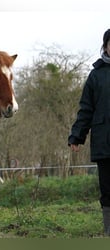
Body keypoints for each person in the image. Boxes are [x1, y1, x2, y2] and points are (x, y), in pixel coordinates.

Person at [68, 28, 110, 236]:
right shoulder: (95, 76)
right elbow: (86, 109)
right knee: (107, 189)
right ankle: (109, 229)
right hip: (105, 142)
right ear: (105, 46)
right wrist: (77, 135)